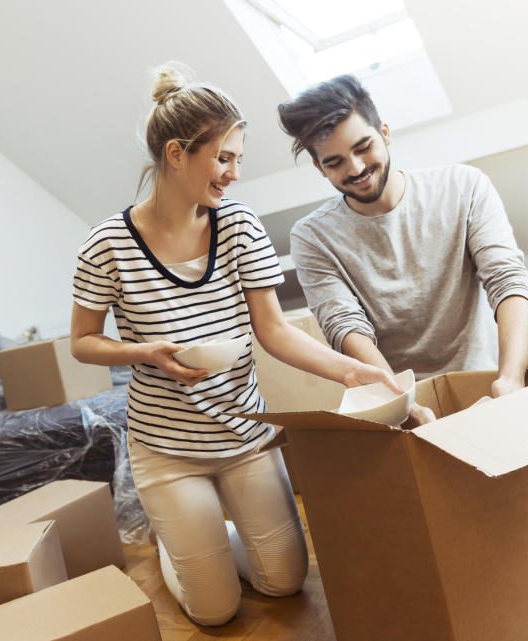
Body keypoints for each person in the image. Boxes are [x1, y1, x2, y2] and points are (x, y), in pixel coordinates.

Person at [69, 64, 403, 626]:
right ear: (177, 154)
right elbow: (82, 342)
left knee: (285, 581)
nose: (234, 174)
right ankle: (189, 557)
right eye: (224, 158)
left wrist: (351, 372)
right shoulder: (107, 244)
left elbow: (272, 331)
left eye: (238, 160)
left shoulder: (240, 226)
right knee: (215, 610)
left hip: (245, 437)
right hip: (168, 452)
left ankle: (211, 542)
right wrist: (144, 353)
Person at [277, 73, 528, 557]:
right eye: (336, 162)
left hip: (488, 392)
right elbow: (345, 327)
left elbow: (508, 282)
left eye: (363, 147)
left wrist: (510, 381)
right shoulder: (312, 237)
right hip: (401, 407)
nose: (356, 168)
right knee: (445, 558)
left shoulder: (462, 187)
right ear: (320, 170)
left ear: (385, 131)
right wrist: (402, 402)